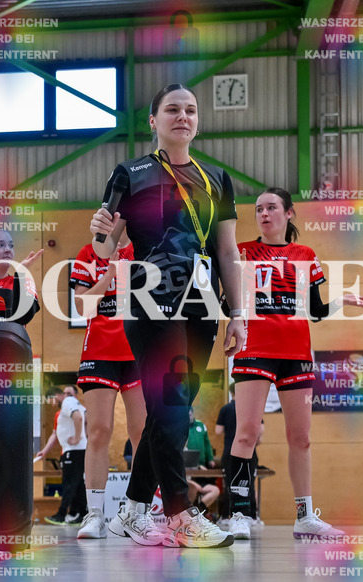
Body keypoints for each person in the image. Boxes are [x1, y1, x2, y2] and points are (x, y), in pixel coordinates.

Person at [89, 83, 245, 548]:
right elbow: (105, 247)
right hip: (150, 302)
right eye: (173, 109)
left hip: (203, 304)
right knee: (173, 408)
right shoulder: (131, 173)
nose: (183, 117)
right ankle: (179, 514)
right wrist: (99, 232)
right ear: (154, 121)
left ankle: (132, 510)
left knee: (169, 412)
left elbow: (228, 251)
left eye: (191, 110)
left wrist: (238, 314)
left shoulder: (217, 178)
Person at [224, 186, 363, 540]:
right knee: (246, 432)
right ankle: (238, 513)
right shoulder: (242, 252)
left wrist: (341, 301)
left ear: (288, 213)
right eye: (259, 209)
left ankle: (304, 517)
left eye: (271, 207)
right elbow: (227, 301)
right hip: (254, 350)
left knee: (301, 438)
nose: (264, 213)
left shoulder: (305, 254)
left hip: (296, 354)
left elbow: (314, 311)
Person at [69, 233, 147, 539]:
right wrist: (111, 273)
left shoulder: (145, 248)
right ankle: (95, 514)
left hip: (139, 349)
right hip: (100, 350)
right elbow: (82, 307)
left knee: (142, 432)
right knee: (99, 430)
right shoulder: (88, 253)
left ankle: (136, 513)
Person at [36, 386, 87, 526]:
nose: (52, 404)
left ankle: (61, 514)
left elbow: (78, 418)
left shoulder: (67, 402)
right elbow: (55, 433)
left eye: (51, 401)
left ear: (56, 396)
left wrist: (77, 438)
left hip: (74, 450)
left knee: (69, 483)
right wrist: (45, 451)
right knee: (78, 483)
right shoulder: (73, 405)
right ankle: (83, 514)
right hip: (75, 450)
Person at [215, 387, 263, 529]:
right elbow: (260, 432)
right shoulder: (252, 409)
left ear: (231, 392)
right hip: (249, 452)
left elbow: (218, 431)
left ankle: (226, 516)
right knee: (249, 483)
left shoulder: (225, 409)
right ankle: (253, 516)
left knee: (230, 484)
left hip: (230, 451)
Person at [185, 409, 219, 514]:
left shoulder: (201, 425)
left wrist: (210, 459)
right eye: (186, 415)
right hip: (187, 475)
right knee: (191, 489)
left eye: (190, 415)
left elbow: (207, 444)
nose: (189, 417)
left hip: (200, 470)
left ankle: (197, 511)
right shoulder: (181, 427)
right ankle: (188, 513)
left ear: (193, 413)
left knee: (215, 489)